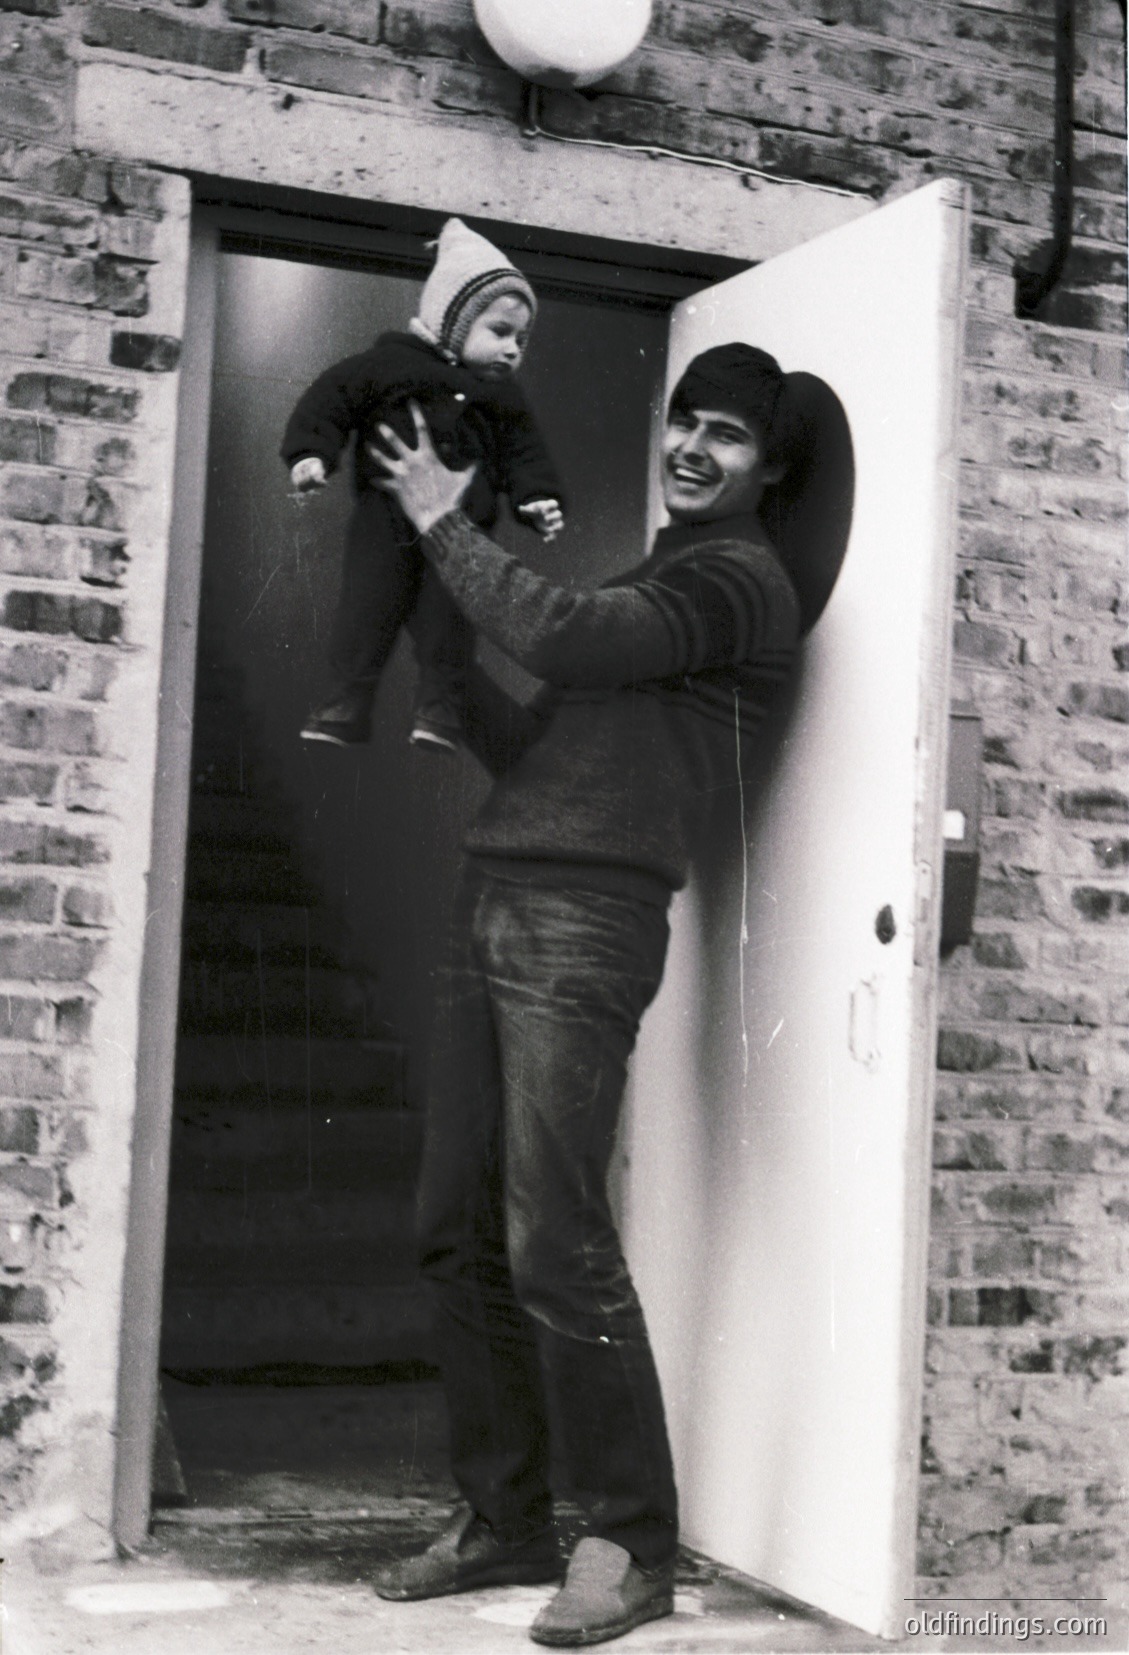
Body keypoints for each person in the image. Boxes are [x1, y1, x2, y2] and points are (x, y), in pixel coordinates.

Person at [368, 344, 802, 1648]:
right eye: (685, 423)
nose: (691, 447)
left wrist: (445, 521)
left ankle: (630, 1537)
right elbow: (537, 750)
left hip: (587, 919)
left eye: (724, 435)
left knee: (552, 1233)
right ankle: (503, 1516)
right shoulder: (654, 579)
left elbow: (557, 629)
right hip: (494, 886)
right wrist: (441, 658)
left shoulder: (735, 583)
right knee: (454, 1221)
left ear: (766, 466)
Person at [281, 217, 565, 752]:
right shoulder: (387, 365)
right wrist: (311, 453)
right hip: (383, 517)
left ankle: (440, 711)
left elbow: (526, 453)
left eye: (521, 340)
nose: (512, 350)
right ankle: (344, 703)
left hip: (462, 534)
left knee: (450, 623)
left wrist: (537, 500)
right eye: (500, 332)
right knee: (366, 607)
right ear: (453, 324)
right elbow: (330, 399)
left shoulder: (503, 398)